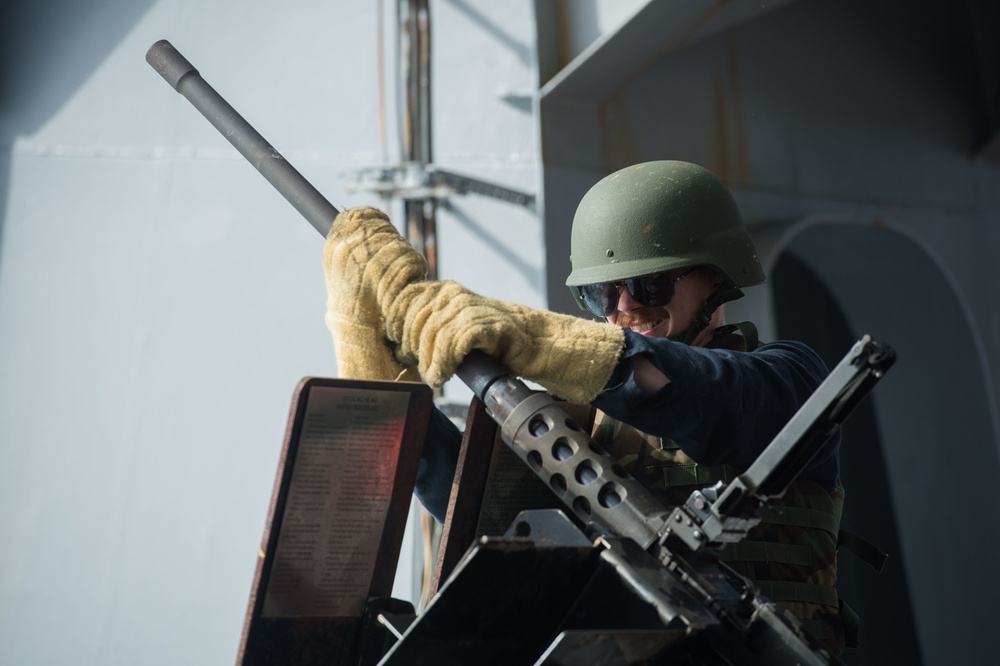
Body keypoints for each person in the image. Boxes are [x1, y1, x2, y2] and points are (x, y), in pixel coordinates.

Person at [322, 160, 847, 654]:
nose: (623, 307)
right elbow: (471, 506)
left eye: (648, 284)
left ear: (717, 276)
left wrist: (525, 337)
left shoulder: (791, 381)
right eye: (603, 293)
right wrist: (370, 347)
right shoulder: (580, 430)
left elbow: (686, 391)